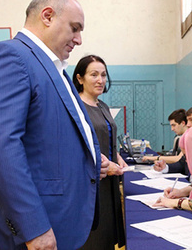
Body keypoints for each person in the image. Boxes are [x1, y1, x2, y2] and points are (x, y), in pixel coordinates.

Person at [0, 0, 109, 249]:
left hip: (62, 218)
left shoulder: (54, 69)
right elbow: (1, 147)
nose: (79, 39)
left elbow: (45, 136)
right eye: (75, 28)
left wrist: (89, 159)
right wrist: (33, 228)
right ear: (47, 16)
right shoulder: (10, 57)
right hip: (38, 225)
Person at [73, 55, 127, 250]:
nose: (100, 80)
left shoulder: (102, 105)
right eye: (94, 74)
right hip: (88, 186)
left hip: (109, 185)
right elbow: (74, 149)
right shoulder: (75, 108)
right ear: (80, 78)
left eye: (103, 75)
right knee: (91, 240)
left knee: (105, 239)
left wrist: (117, 156)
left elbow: (106, 137)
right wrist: (101, 165)